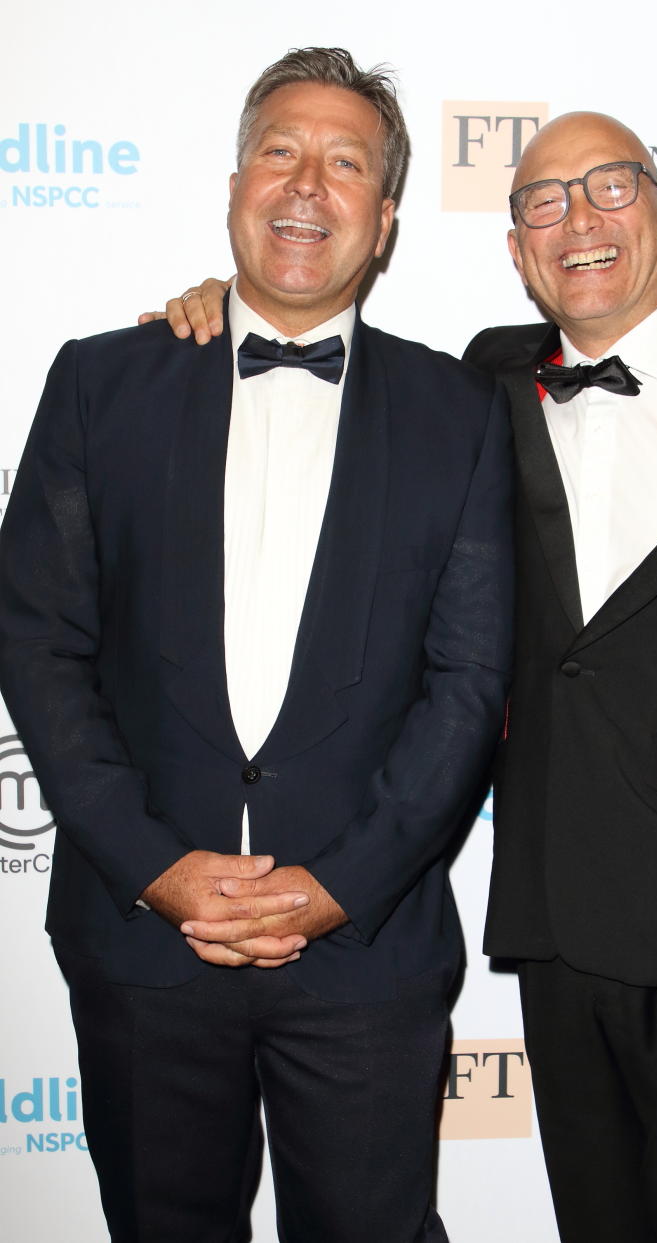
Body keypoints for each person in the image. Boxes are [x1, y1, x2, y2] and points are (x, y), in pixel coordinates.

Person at [152, 111, 657, 1243]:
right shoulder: (478, 386)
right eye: (543, 202)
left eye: (612, 188)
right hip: (558, 922)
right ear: (519, 253)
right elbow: (310, 362)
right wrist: (205, 312)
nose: (580, 221)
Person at [0, 48, 513, 1243]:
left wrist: (338, 887)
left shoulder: (460, 415)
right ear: (235, 182)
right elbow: (39, 644)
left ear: (385, 221)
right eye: (281, 150)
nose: (306, 186)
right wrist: (153, 862)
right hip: (144, 948)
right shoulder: (98, 384)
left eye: (345, 165)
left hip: (367, 957)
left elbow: (470, 681)